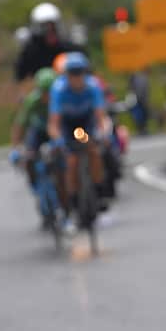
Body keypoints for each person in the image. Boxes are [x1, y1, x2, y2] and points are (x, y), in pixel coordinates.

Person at [47, 52, 111, 222]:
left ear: (85, 73)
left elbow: (101, 116)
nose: (77, 77)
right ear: (66, 75)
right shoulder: (59, 90)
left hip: (85, 125)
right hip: (68, 127)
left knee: (94, 152)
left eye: (80, 72)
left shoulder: (93, 87)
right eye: (72, 73)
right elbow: (54, 123)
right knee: (71, 161)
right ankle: (74, 200)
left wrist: (104, 133)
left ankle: (99, 191)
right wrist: (58, 139)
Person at [10, 67, 56, 197]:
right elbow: (20, 124)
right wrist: (15, 147)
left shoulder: (60, 98)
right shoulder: (32, 101)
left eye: (50, 91)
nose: (47, 95)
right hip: (38, 132)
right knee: (29, 158)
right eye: (44, 91)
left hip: (56, 131)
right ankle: (35, 185)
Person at [14, 3, 85, 83]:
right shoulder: (30, 52)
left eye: (53, 27)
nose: (49, 31)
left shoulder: (70, 49)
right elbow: (19, 77)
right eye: (44, 28)